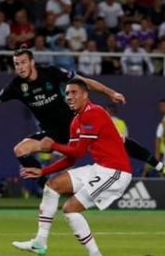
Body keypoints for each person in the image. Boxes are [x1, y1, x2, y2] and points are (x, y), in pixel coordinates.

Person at [0, 48, 165, 252]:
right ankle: (42, 220)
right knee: (21, 150)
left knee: (120, 139)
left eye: (23, 62)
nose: (19, 67)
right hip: (53, 132)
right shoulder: (16, 86)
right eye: (16, 64)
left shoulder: (54, 75)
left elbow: (84, 83)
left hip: (78, 129)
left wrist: (110, 93)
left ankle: (161, 165)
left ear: (32, 62)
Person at [15, 78, 132, 256]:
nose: (69, 96)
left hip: (116, 172)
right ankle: (40, 242)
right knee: (52, 186)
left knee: (70, 209)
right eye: (67, 93)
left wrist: (52, 145)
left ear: (85, 95)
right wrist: (43, 171)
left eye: (74, 92)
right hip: (100, 167)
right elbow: (71, 157)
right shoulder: (76, 121)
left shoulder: (95, 113)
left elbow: (77, 152)